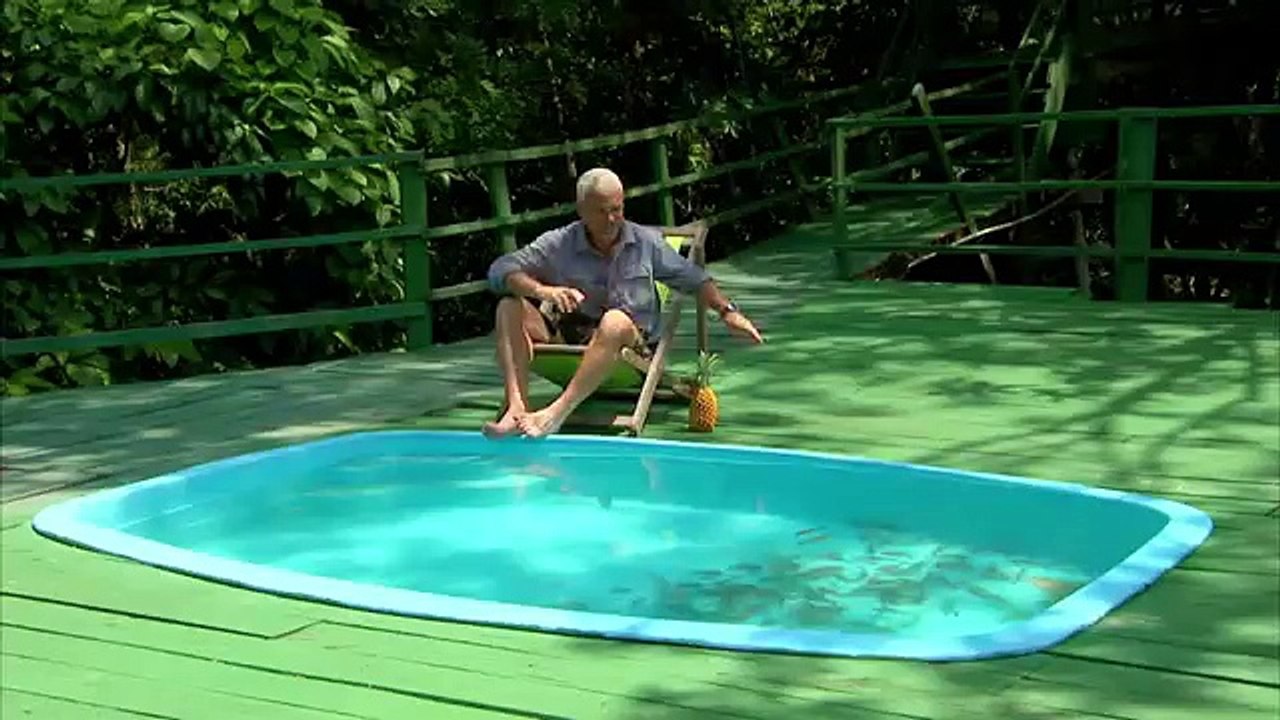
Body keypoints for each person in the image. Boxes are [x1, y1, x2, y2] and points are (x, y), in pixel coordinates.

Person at [482, 167, 764, 439]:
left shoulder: (646, 243)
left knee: (614, 320)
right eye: (601, 211)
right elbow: (500, 269)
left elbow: (695, 279)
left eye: (616, 209)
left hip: (631, 345)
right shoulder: (561, 242)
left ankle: (557, 412)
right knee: (508, 306)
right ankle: (516, 408)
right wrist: (543, 291)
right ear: (582, 211)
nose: (611, 219)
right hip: (571, 335)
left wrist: (727, 312)